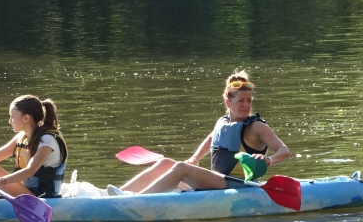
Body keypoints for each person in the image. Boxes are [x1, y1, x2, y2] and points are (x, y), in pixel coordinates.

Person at [108, 70, 290, 195]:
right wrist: (195, 158)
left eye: (249, 100)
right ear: (228, 102)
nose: (246, 105)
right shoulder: (224, 123)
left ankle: (136, 200)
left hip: (239, 185)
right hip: (218, 181)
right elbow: (212, 138)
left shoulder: (257, 127)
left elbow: (284, 150)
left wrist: (269, 160)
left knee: (180, 168)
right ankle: (118, 195)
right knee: (166, 163)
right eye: (241, 101)